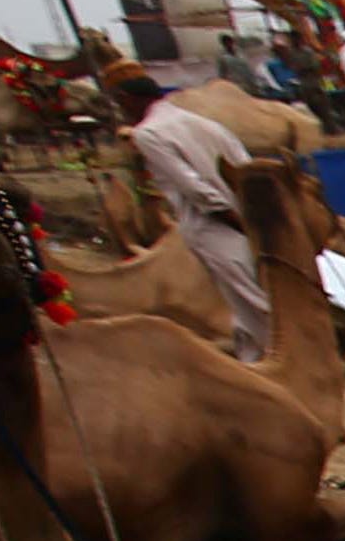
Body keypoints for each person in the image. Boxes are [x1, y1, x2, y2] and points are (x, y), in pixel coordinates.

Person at [114, 76, 267, 357]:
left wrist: (234, 220)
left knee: (249, 298)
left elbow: (194, 187)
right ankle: (252, 357)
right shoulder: (206, 125)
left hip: (214, 224)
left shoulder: (149, 134)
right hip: (244, 217)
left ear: (128, 99)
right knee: (241, 297)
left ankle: (277, 357)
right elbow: (245, 166)